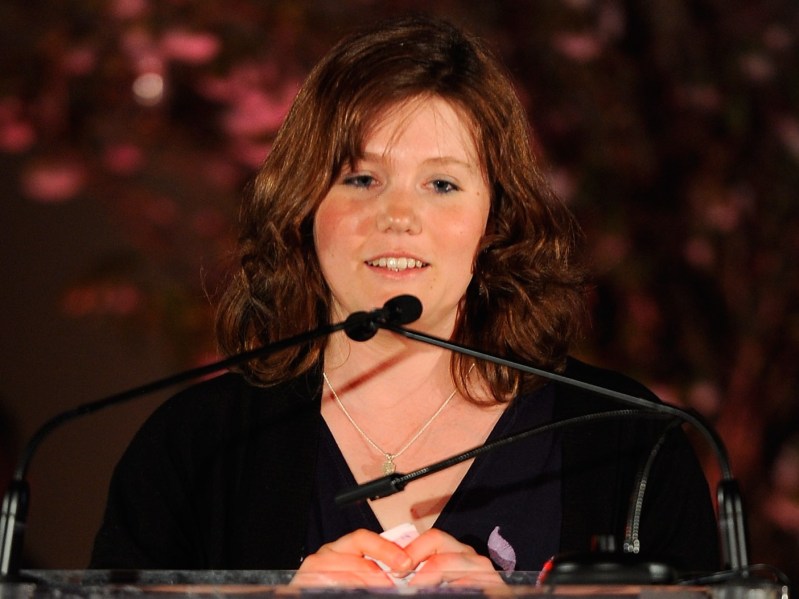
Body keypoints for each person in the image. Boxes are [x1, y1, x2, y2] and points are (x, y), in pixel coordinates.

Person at [90, 15, 721, 585]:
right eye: (361, 178)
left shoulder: (628, 440)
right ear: (305, 206)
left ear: (495, 218)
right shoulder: (195, 446)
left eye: (442, 184)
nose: (397, 216)